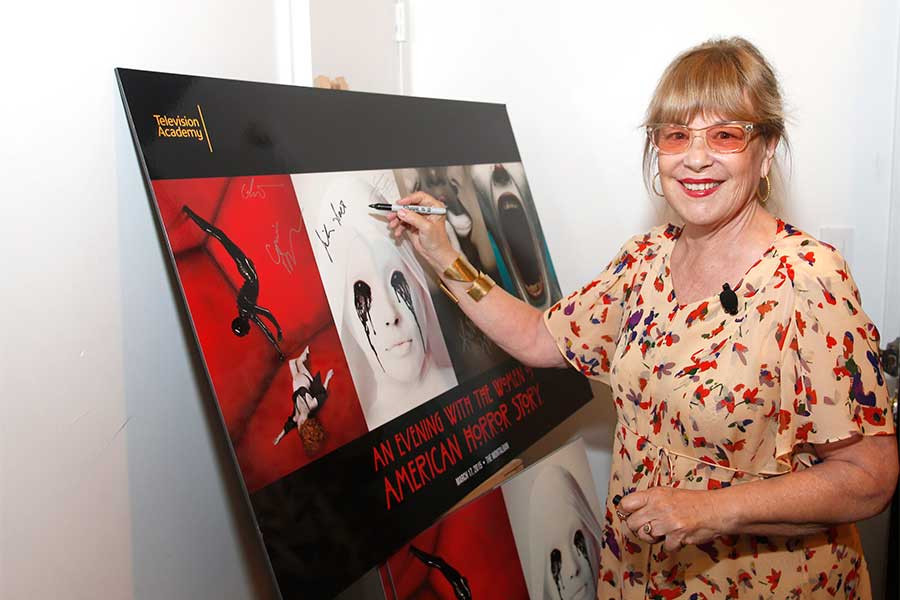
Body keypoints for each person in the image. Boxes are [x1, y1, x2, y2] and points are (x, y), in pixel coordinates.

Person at [388, 37, 898, 599]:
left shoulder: (808, 279)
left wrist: (709, 512)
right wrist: (444, 255)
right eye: (676, 135)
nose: (696, 157)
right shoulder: (645, 259)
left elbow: (868, 478)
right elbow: (539, 338)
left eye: (725, 134)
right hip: (642, 574)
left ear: (767, 148)